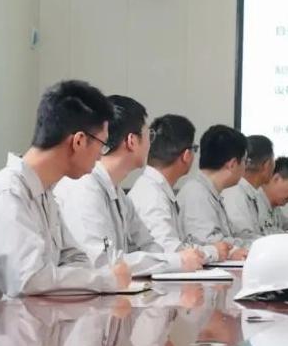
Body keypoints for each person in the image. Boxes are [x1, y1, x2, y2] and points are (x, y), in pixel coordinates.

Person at [0, 80, 129, 310]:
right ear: (79, 141)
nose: (101, 156)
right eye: (102, 145)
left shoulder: (46, 194)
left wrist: (81, 278)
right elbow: (28, 280)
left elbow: (76, 258)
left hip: (32, 322)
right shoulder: (7, 192)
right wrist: (105, 279)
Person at [54, 95, 204, 276]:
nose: (151, 144)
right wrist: (176, 261)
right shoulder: (83, 186)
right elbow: (101, 262)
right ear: (132, 141)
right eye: (149, 135)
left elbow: (149, 245)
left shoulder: (117, 192)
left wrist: (174, 260)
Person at [127, 115, 229, 262]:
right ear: (186, 155)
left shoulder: (155, 188)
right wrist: (212, 252)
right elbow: (168, 252)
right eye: (194, 149)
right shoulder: (152, 195)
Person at [177, 125, 251, 257]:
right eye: (245, 161)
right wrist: (236, 250)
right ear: (233, 164)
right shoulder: (196, 193)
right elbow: (208, 242)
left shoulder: (208, 191)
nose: (246, 167)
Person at [221, 134, 275, 240]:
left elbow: (265, 230)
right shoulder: (234, 194)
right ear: (267, 165)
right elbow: (243, 237)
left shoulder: (255, 194)